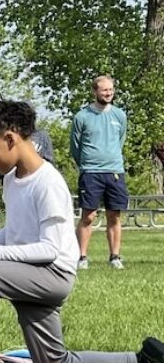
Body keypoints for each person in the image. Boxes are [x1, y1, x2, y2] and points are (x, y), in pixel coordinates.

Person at [0, 100, 164, 363]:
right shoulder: (12, 179)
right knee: (53, 360)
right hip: (32, 273)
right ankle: (142, 360)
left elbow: (49, 249)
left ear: (10, 139)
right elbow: (16, 233)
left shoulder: (47, 183)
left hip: (52, 275)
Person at [70, 75, 128, 270]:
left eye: (111, 90)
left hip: (115, 172)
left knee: (114, 216)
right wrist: (86, 164)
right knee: (88, 216)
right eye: (104, 90)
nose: (108, 93)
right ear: (95, 91)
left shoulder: (119, 115)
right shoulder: (82, 117)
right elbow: (75, 147)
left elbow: (120, 140)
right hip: (91, 172)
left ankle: (115, 256)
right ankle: (82, 257)